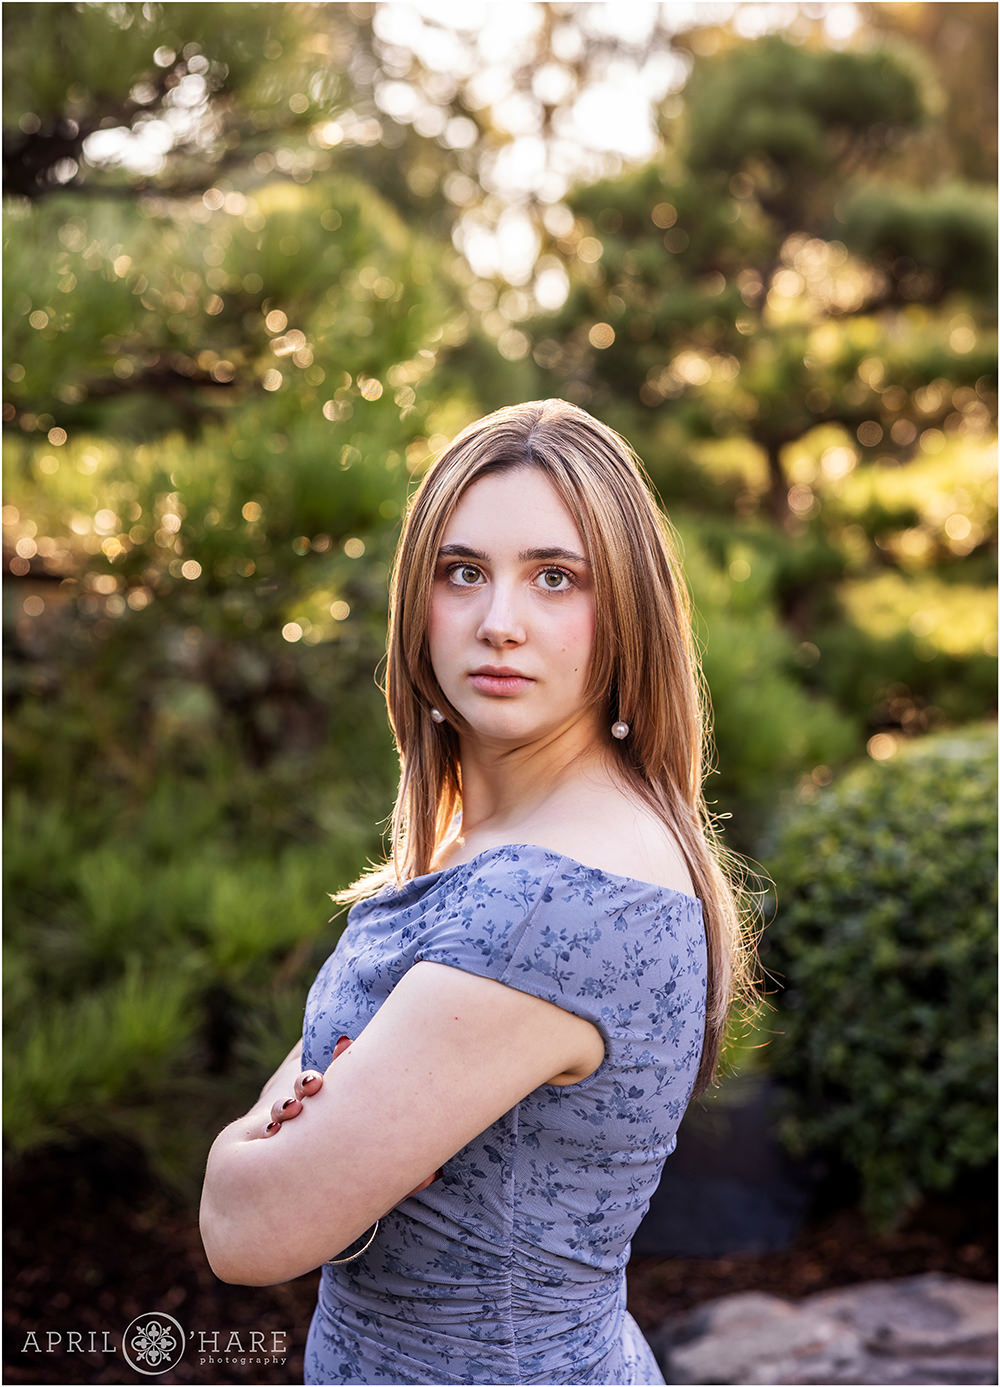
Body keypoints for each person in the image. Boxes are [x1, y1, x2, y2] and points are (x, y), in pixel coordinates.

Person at [200, 398, 756, 1386]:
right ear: (417, 599)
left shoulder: (555, 899)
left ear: (624, 607)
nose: (500, 623)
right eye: (462, 573)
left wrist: (256, 1142)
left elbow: (248, 1228)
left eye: (556, 577)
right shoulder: (503, 844)